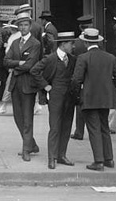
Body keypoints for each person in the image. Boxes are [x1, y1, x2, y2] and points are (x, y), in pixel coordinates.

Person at [72, 28, 116, 171]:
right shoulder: (110, 57)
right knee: (104, 128)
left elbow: (76, 80)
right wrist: (110, 88)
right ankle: (109, 159)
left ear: (85, 42)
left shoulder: (83, 58)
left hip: (89, 98)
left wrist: (77, 95)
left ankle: (99, 161)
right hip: (106, 98)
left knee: (94, 129)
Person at [30, 32, 77, 169]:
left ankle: (61, 155)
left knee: (67, 126)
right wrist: (45, 85)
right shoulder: (50, 58)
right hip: (55, 97)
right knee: (55, 127)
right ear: (63, 44)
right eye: (70, 43)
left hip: (69, 97)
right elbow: (34, 71)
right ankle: (52, 157)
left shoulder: (72, 59)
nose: (73, 46)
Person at [3, 11, 42, 161]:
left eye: (26, 25)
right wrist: (19, 63)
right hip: (16, 84)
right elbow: (5, 61)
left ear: (30, 26)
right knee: (18, 118)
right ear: (18, 26)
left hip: (28, 84)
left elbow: (30, 65)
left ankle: (26, 149)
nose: (23, 27)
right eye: (21, 25)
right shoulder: (14, 42)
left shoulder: (35, 44)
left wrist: (16, 66)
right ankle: (31, 143)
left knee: (27, 118)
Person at [71, 14, 93, 140]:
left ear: (80, 27)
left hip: (80, 77)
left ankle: (79, 131)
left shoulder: (76, 43)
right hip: (94, 77)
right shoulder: (98, 42)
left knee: (80, 105)